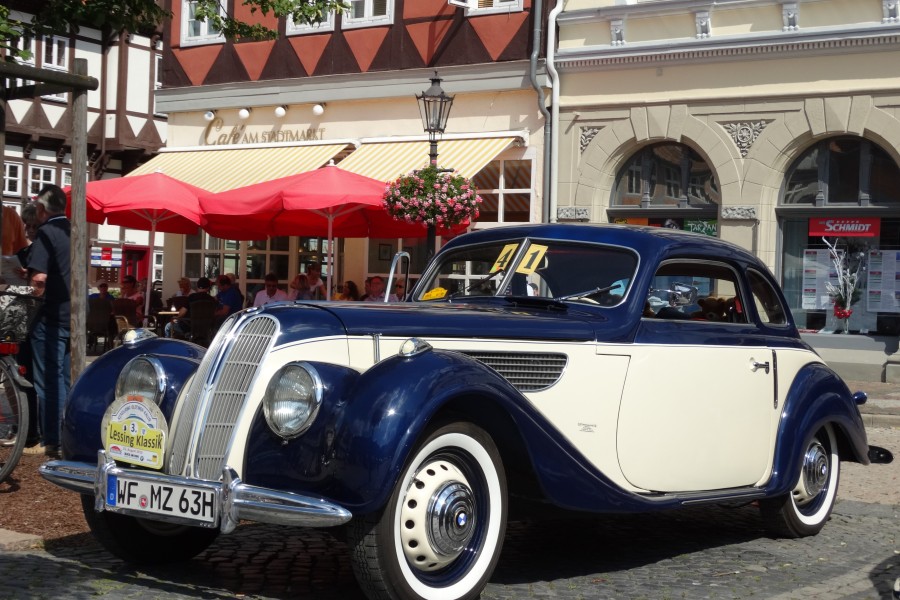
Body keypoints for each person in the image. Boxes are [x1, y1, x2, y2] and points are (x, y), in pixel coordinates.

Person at [26, 184, 70, 460]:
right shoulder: (73, 231)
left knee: (48, 382)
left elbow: (39, 279)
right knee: (65, 379)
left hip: (51, 316)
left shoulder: (46, 232)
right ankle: (66, 435)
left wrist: (31, 302)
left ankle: (51, 439)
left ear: (41, 209)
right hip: (73, 315)